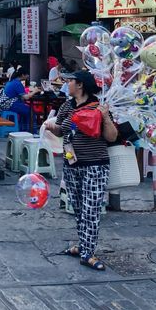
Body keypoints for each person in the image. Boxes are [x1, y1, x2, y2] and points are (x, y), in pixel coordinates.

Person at [44, 71, 118, 271]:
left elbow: (111, 137)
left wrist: (105, 117)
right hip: (72, 163)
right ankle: (84, 246)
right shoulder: (66, 106)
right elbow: (61, 129)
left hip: (95, 164)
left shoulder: (99, 107)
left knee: (91, 210)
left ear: (80, 85)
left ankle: (88, 253)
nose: (67, 83)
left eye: (70, 81)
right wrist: (52, 128)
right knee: (77, 208)